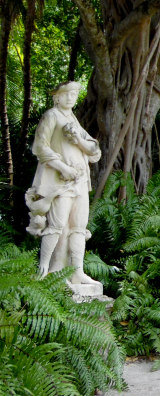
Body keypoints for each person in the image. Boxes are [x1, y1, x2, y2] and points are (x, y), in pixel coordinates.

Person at [25, 81, 102, 284]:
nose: (71, 97)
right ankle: (49, 270)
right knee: (58, 225)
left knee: (78, 226)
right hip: (61, 181)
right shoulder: (52, 115)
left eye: (75, 93)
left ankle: (76, 272)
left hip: (80, 181)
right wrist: (63, 167)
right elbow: (40, 146)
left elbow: (94, 148)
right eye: (67, 93)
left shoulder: (73, 120)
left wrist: (78, 140)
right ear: (57, 97)